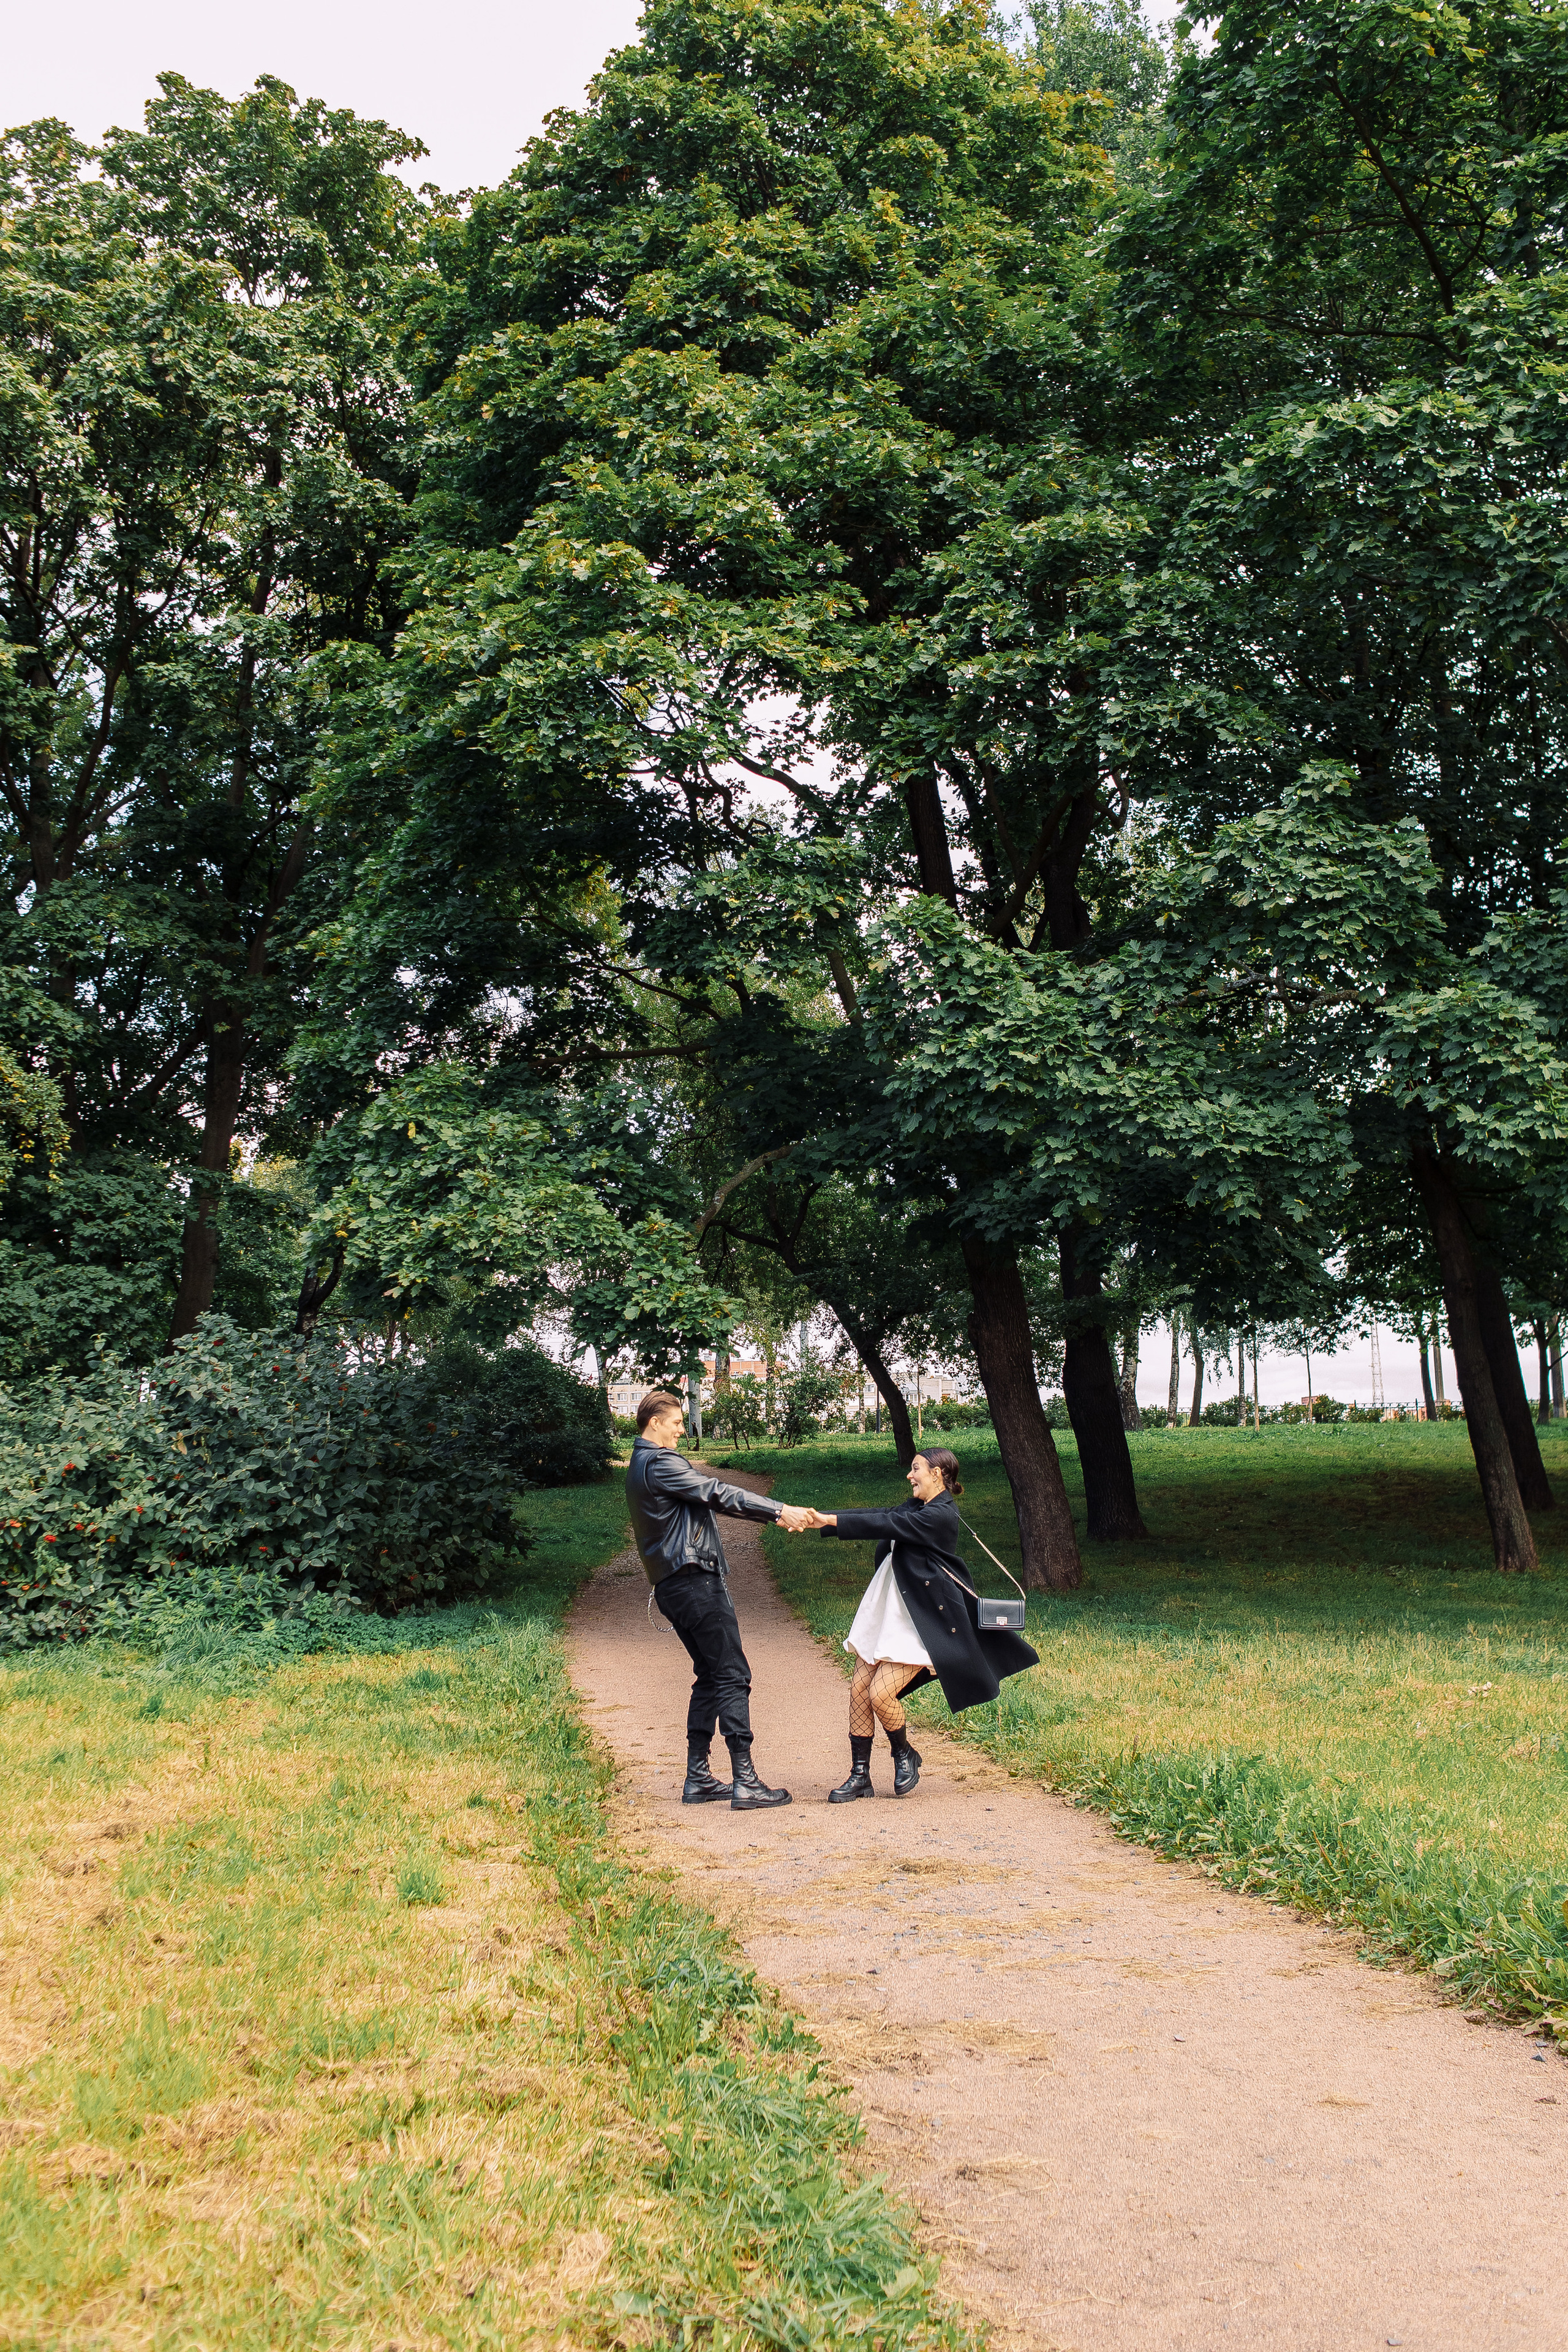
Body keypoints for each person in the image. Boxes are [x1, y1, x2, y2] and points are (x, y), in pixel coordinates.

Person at [805, 1447, 1039, 1801]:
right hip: (891, 1610)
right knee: (858, 1692)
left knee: (881, 1694)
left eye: (916, 1469)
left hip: (921, 1619)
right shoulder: (920, 1506)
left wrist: (830, 1521)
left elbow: (889, 1524)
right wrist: (825, 1517)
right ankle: (860, 1775)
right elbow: (883, 1514)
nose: (910, 1475)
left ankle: (904, 1754)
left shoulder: (940, 1515)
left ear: (938, 1474)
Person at [627, 1389, 812, 1811]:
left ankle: (699, 1779)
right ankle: (745, 1782)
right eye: (676, 1422)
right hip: (695, 1583)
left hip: (673, 1587)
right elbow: (716, 1492)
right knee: (731, 1675)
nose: (681, 1429)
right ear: (655, 1421)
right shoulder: (659, 1462)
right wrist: (778, 1510)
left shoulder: (640, 1465)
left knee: (710, 1676)